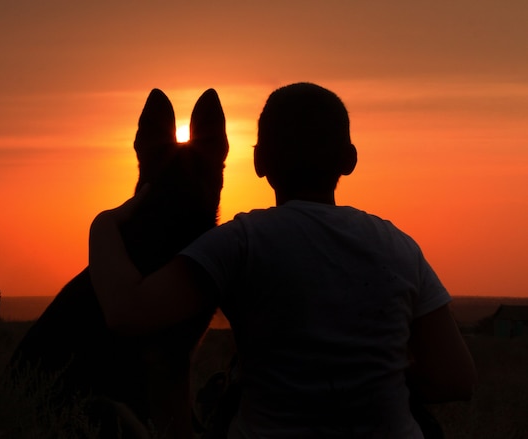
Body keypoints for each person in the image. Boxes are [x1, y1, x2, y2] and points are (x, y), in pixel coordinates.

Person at [89, 82, 477, 438]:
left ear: (259, 162)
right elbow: (456, 379)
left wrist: (103, 224)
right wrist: (365, 379)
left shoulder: (239, 242)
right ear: (350, 159)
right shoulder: (401, 248)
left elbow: (127, 312)